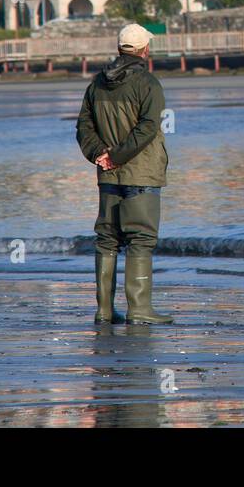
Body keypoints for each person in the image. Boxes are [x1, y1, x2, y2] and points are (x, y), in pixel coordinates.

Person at [75, 23, 173, 325]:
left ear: (120, 48)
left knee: (107, 240)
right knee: (141, 239)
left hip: (107, 175)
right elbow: (147, 128)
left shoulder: (97, 83)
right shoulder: (148, 84)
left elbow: (83, 128)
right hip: (141, 173)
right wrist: (115, 156)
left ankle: (104, 311)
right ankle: (140, 309)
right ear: (145, 50)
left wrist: (100, 155)